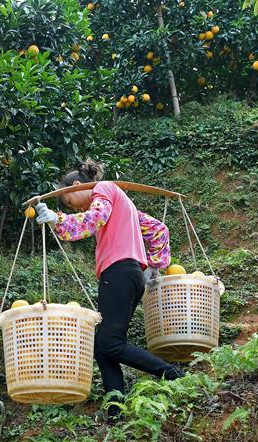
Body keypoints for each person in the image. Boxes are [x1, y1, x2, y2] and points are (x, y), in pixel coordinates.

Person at [34, 160, 183, 420]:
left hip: (118, 272)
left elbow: (95, 218)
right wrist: (154, 266)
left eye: (70, 201)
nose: (76, 207)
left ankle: (172, 374)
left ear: (78, 185)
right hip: (130, 276)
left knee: (111, 343)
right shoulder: (123, 203)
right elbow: (158, 228)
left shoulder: (104, 188)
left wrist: (57, 220)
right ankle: (116, 412)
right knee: (102, 347)